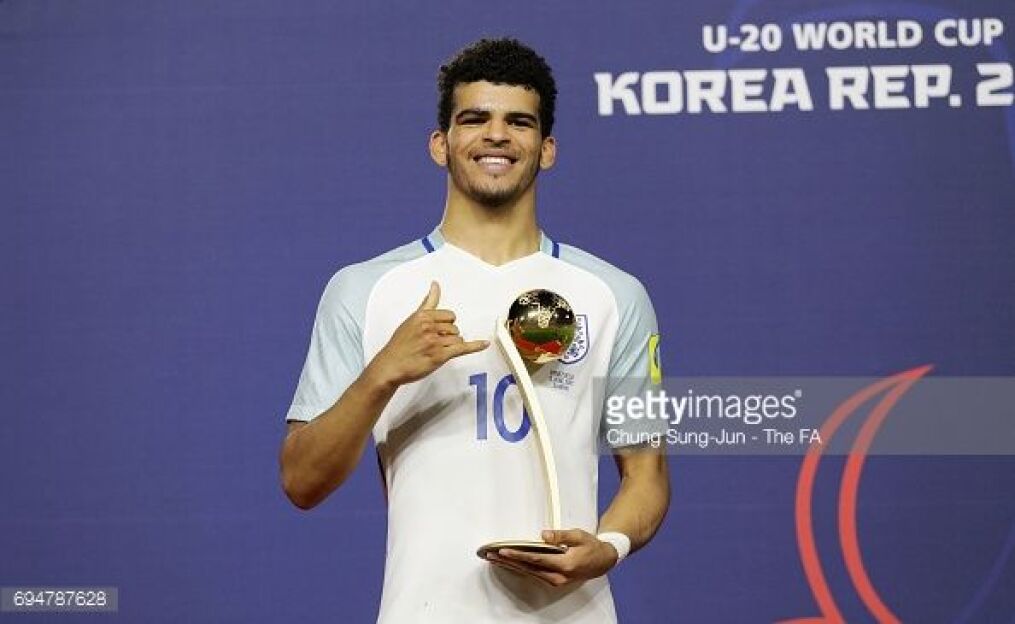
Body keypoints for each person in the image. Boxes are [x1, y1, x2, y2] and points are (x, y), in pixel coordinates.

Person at [279, 38, 670, 623]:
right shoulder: (366, 291)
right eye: (474, 119)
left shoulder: (614, 295)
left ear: (547, 149)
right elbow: (302, 481)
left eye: (519, 122)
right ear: (440, 144)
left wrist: (607, 547)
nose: (497, 135)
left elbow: (647, 474)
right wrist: (383, 374)